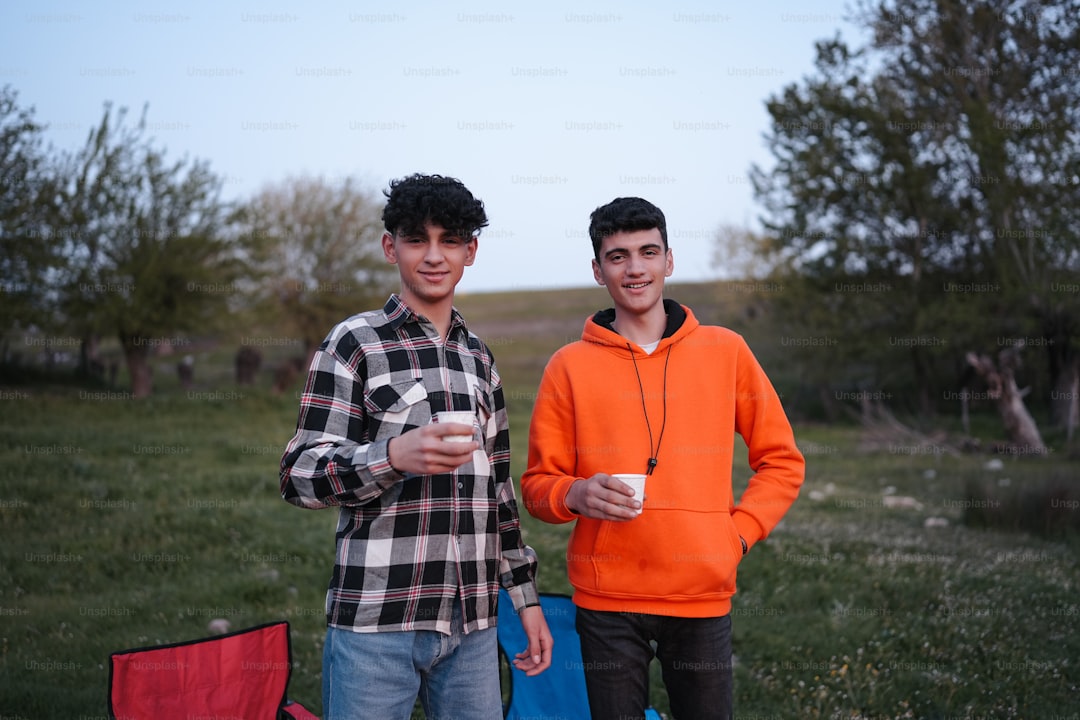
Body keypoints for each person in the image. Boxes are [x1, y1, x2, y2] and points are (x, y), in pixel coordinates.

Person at [520, 196, 805, 720]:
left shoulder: (727, 351)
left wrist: (738, 533)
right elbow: (538, 486)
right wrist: (576, 493)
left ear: (669, 261)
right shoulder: (568, 366)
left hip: (701, 595)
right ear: (598, 269)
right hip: (607, 602)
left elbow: (782, 460)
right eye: (618, 256)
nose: (635, 268)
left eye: (648, 252)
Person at [280, 173, 552, 720]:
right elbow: (299, 475)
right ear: (390, 247)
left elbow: (500, 496)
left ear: (470, 251)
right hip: (377, 622)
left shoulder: (480, 360)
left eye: (450, 240)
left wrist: (526, 602)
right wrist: (391, 458)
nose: (433, 256)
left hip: (473, 628)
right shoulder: (355, 342)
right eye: (416, 239)